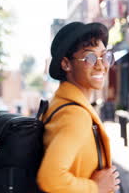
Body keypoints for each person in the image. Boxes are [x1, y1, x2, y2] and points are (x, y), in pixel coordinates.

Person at [37, 22, 120, 193]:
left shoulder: (61, 104)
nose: (101, 65)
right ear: (66, 64)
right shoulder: (74, 115)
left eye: (105, 56)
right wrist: (95, 187)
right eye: (90, 58)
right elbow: (50, 178)